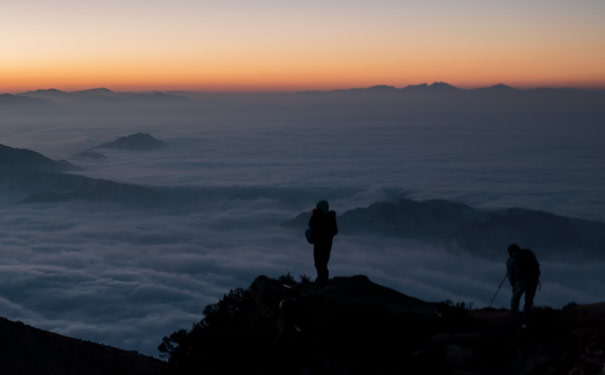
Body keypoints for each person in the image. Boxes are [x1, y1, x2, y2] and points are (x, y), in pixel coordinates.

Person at [308, 200, 338, 287]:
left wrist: (322, 234)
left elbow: (334, 231)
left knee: (322, 262)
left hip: (325, 244)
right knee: (317, 262)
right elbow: (310, 225)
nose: (317, 208)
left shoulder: (330, 217)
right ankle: (320, 279)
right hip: (318, 243)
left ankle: (323, 282)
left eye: (318, 207)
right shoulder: (318, 215)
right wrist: (314, 215)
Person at [506, 244, 540, 314]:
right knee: (529, 299)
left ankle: (514, 314)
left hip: (522, 280)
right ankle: (527, 314)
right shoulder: (528, 254)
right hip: (534, 279)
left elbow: (510, 274)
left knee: (515, 298)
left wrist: (513, 285)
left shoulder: (512, 259)